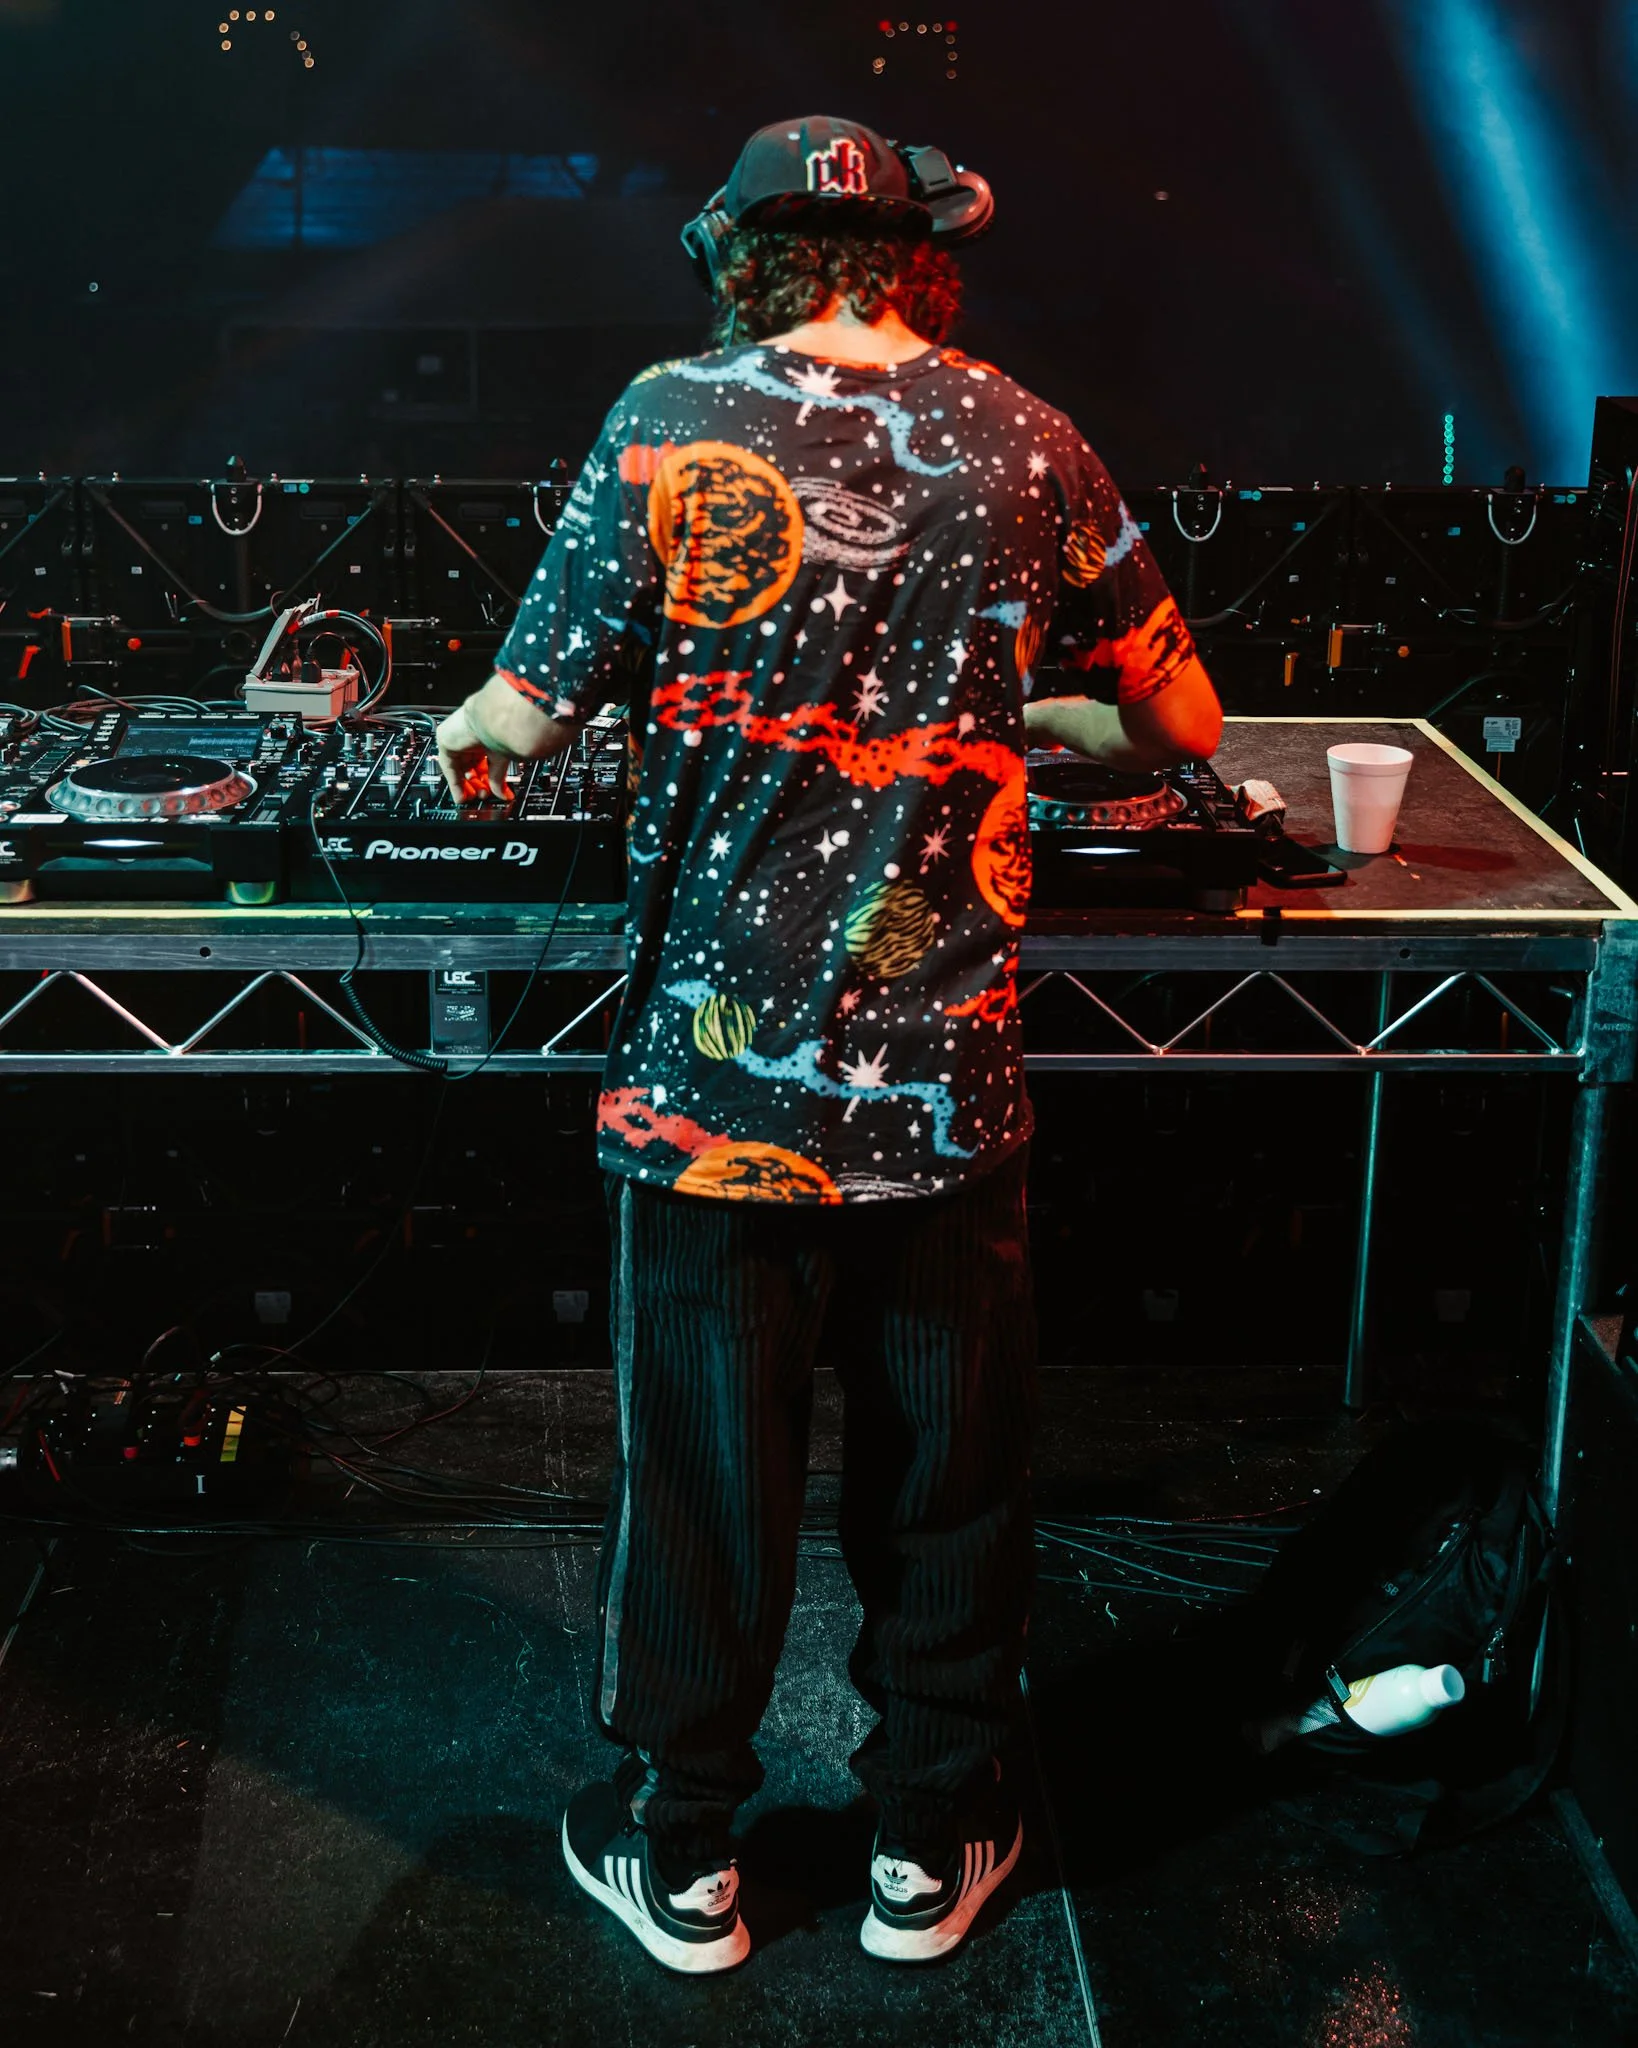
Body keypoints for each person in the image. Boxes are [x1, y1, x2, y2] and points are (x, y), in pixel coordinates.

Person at [435, 114, 1221, 1976]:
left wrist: (454, 737)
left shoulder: (664, 420)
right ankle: (922, 1849)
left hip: (711, 1095)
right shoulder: (1029, 437)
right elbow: (1180, 727)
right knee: (947, 1476)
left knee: (705, 1483)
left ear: (738, 255)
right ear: (923, 255)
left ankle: (684, 1860)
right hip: (945, 1092)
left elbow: (518, 726)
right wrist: (1033, 723)